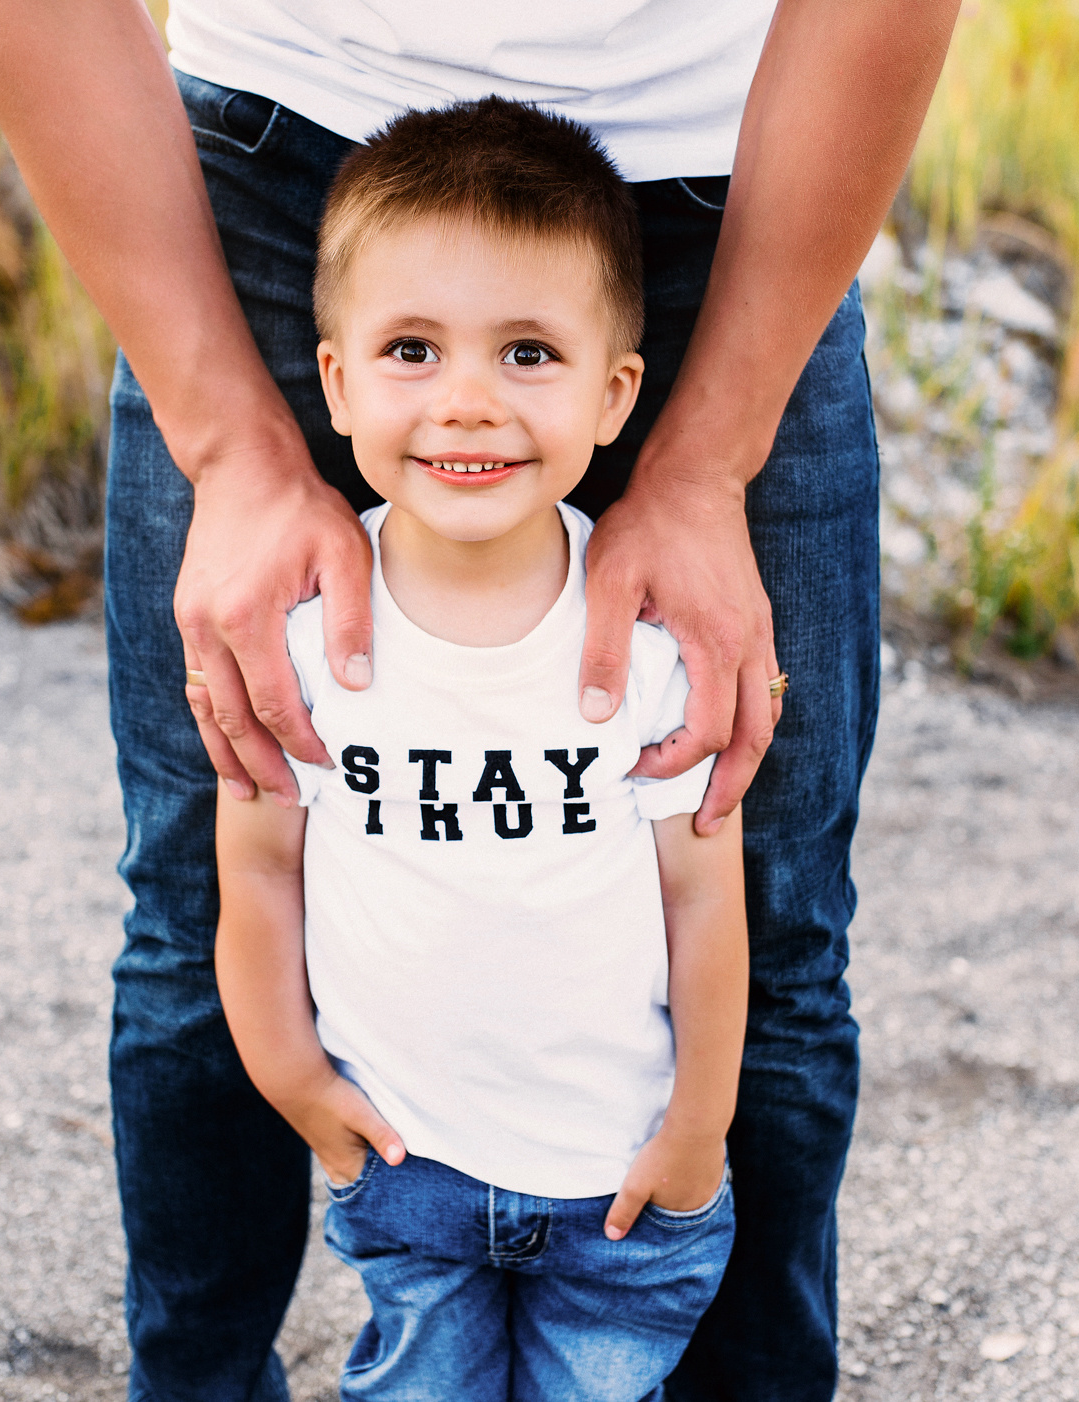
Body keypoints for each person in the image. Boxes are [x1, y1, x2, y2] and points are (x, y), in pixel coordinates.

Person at [0, 2, 961, 1398]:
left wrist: (711, 456)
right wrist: (231, 446)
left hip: (727, 178)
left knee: (769, 912)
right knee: (202, 902)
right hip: (279, 164)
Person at [214, 98, 747, 1398]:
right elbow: (259, 871)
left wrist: (699, 1129)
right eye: (410, 348)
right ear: (334, 378)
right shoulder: (294, 639)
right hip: (410, 1176)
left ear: (616, 392)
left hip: (618, 1194)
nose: (466, 401)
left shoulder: (649, 643)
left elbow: (702, 896)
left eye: (527, 353)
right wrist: (286, 1070)